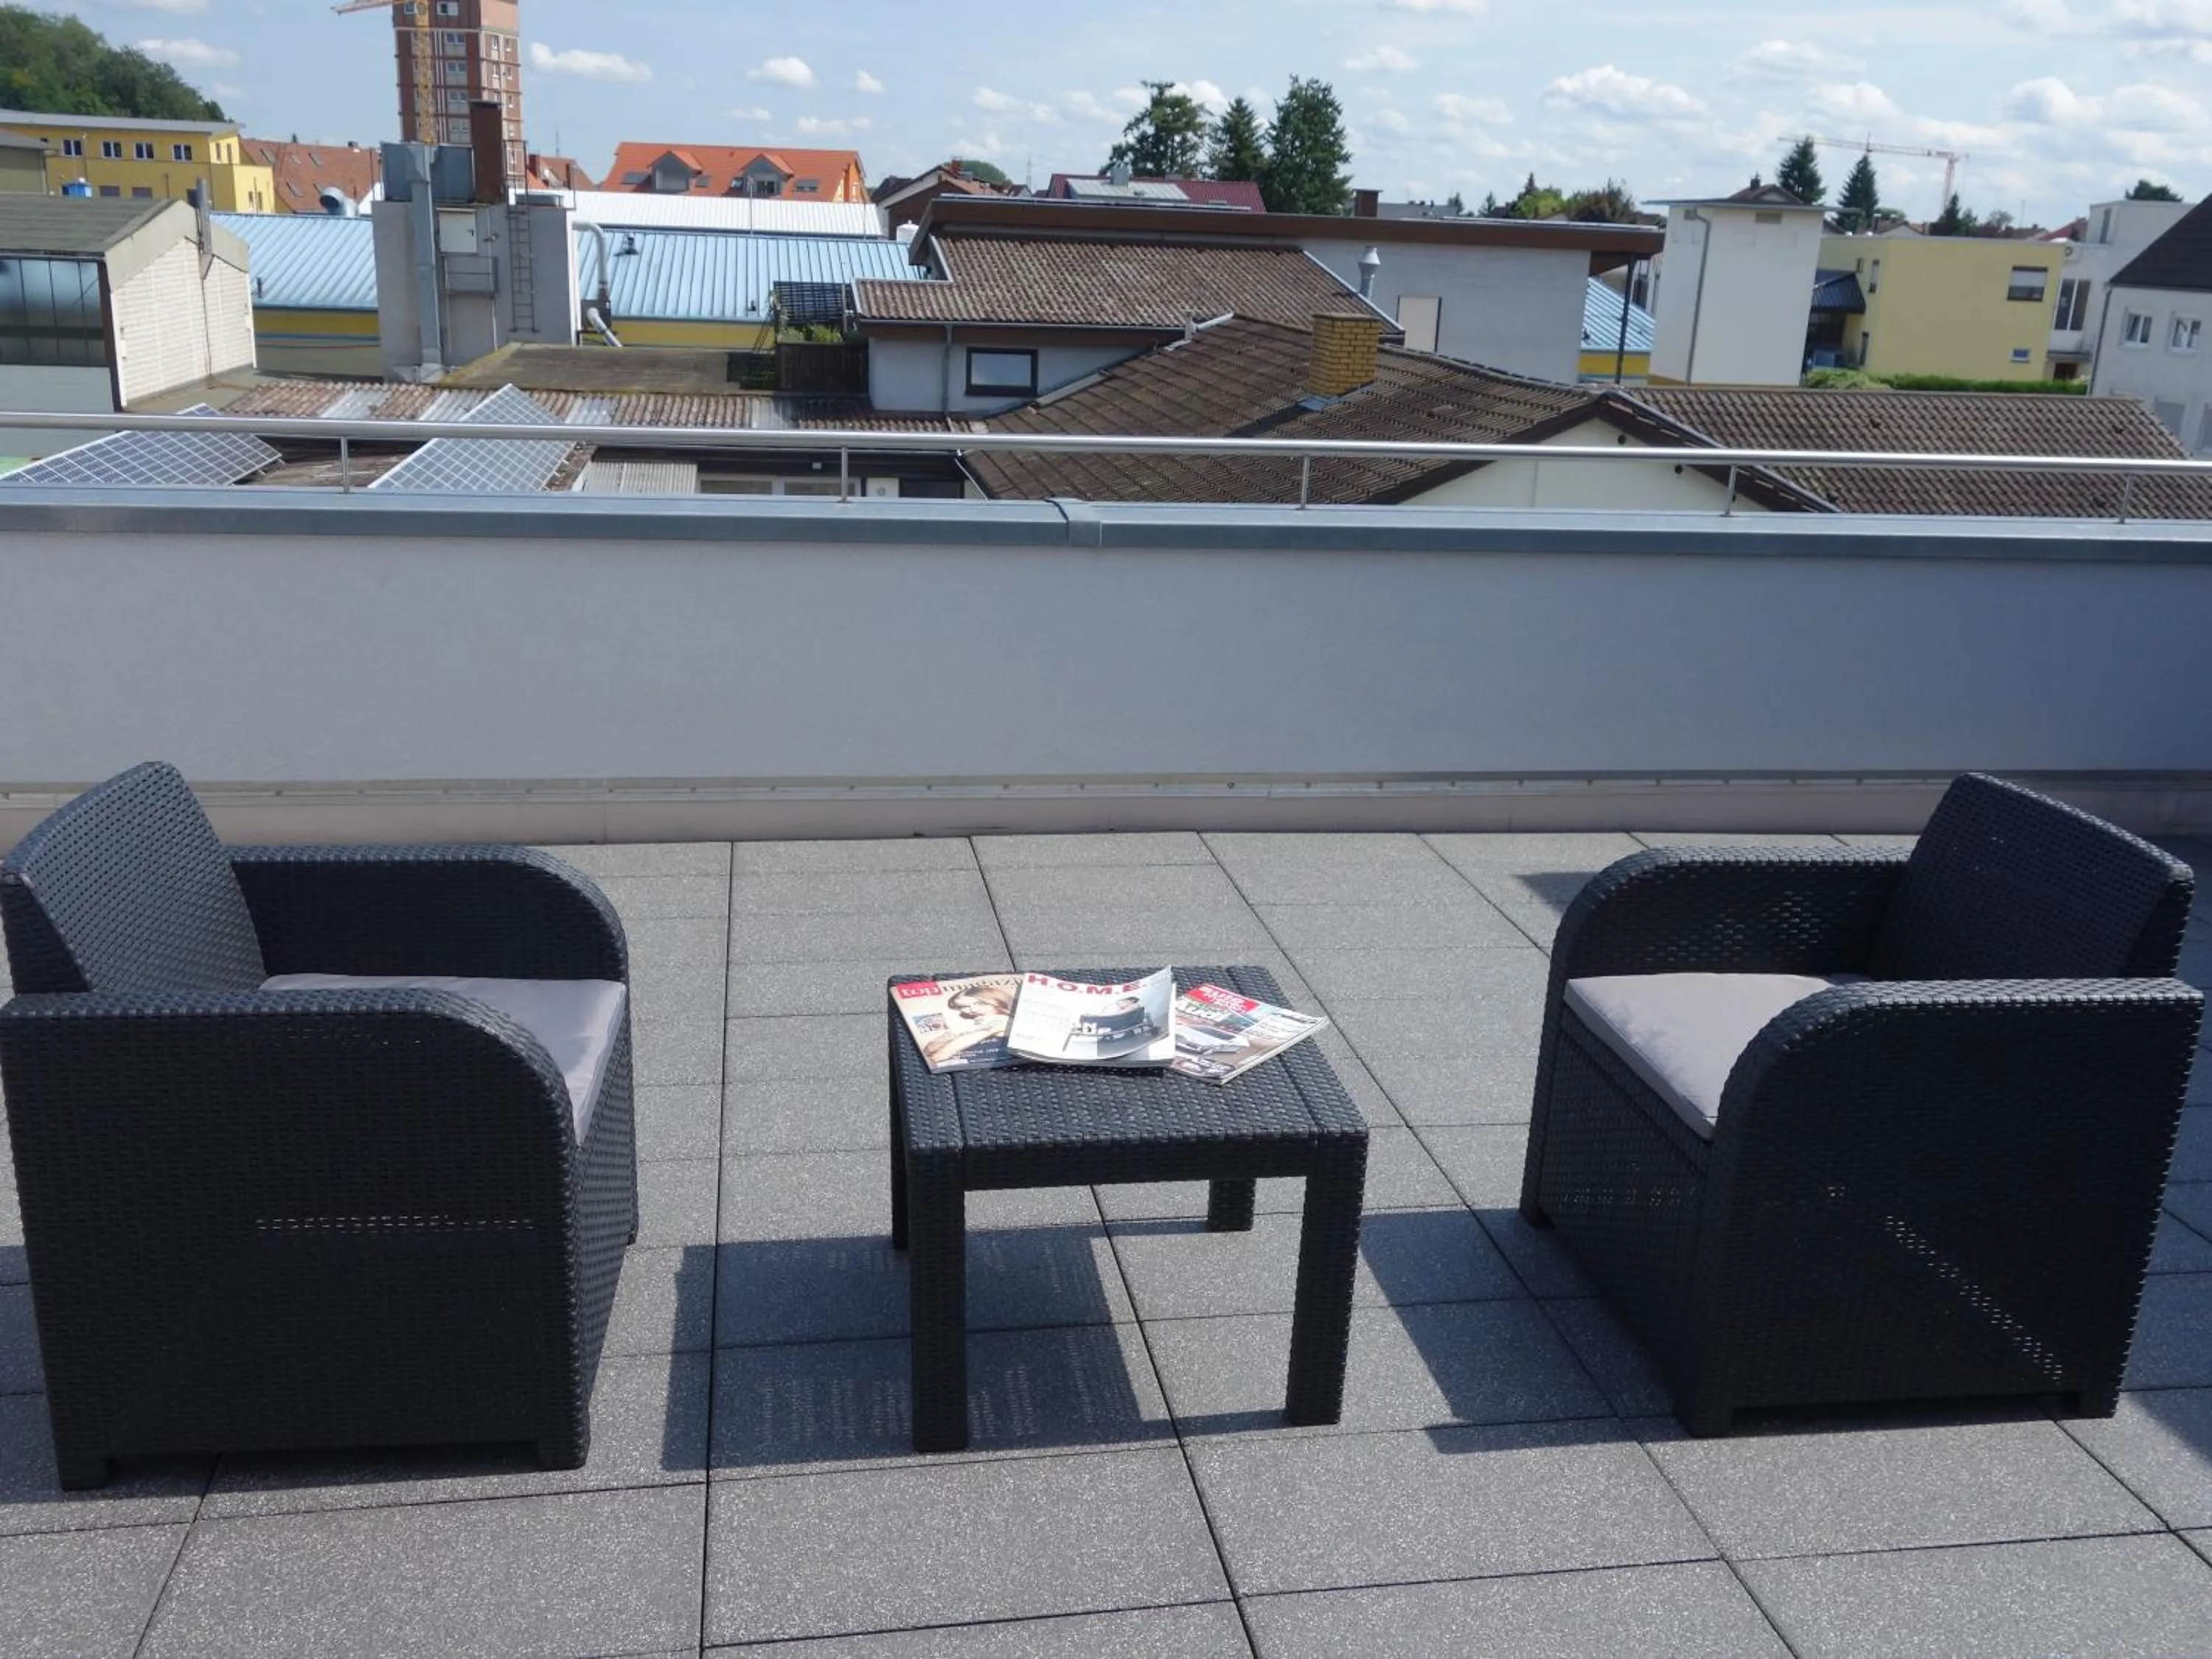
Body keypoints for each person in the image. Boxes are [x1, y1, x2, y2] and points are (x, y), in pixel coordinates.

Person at [921, 979, 1018, 1068]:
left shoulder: (1002, 1019)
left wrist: (940, 1055)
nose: (973, 1009)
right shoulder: (979, 1021)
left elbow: (970, 1038)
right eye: (964, 1006)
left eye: (979, 1004)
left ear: (996, 1002)